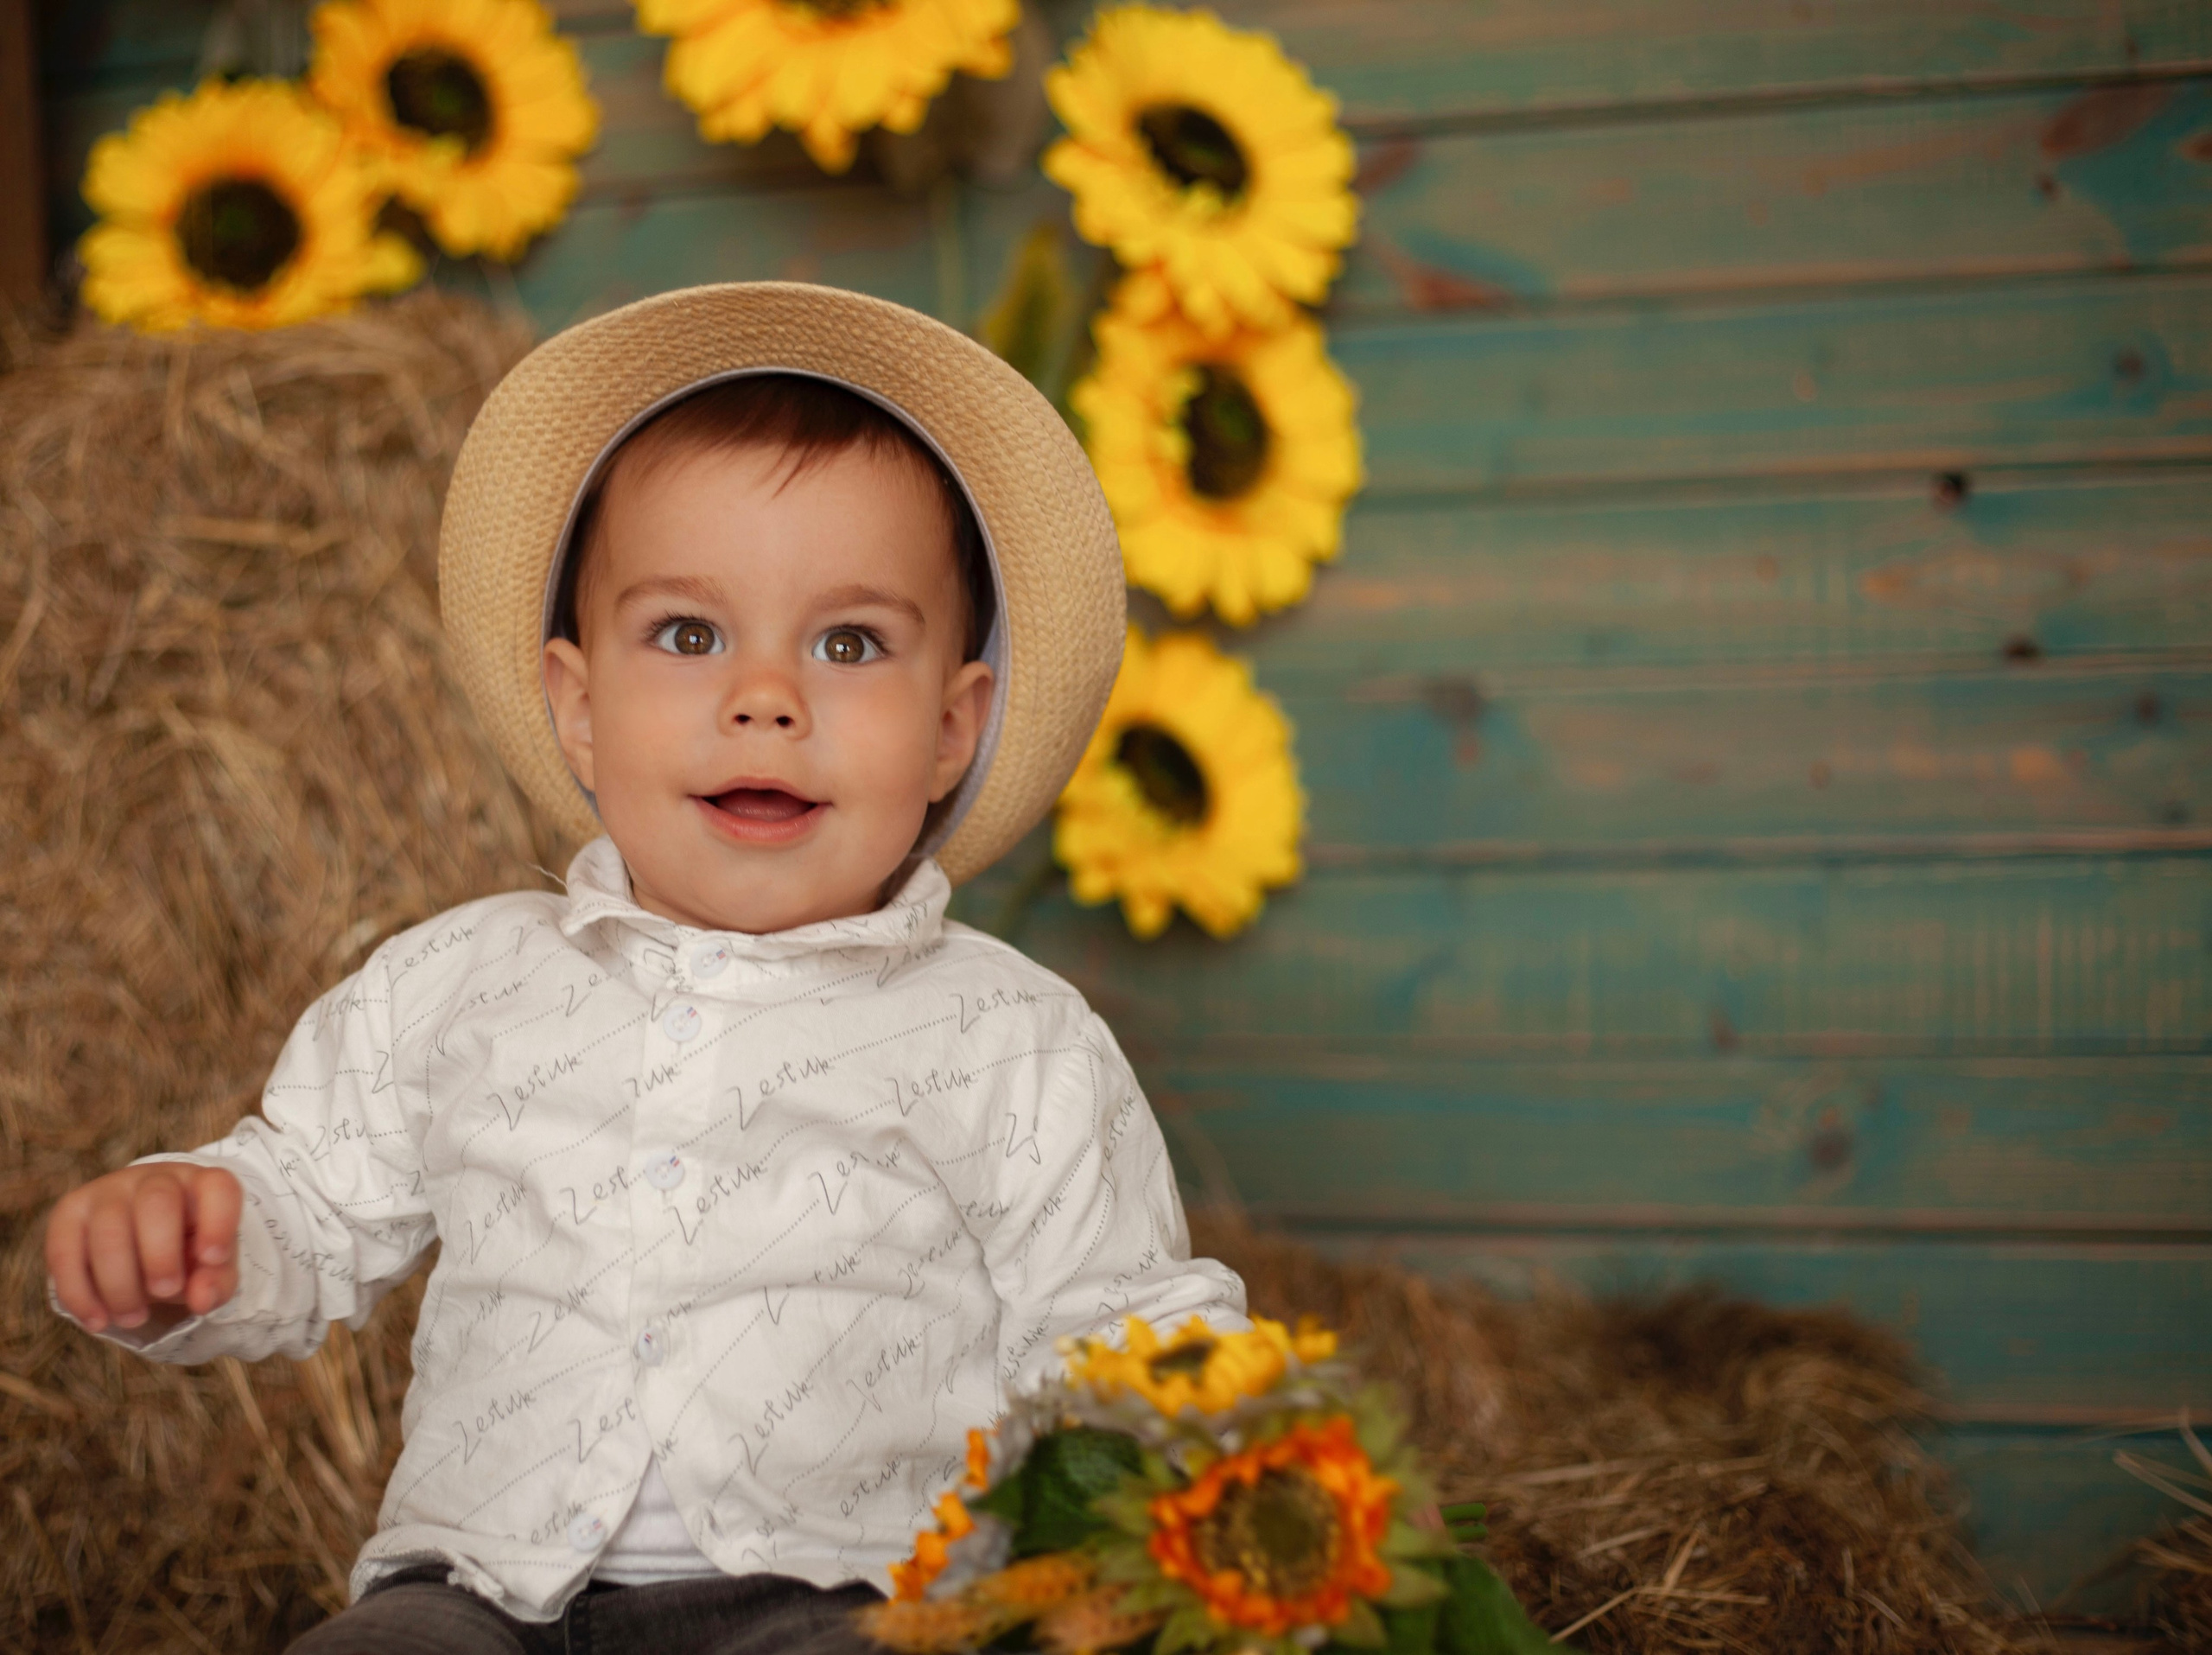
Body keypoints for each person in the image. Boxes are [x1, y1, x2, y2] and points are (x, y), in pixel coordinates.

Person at [41, 283, 1249, 1653]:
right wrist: (196, 1234)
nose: (765, 697)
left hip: (857, 1601)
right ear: (577, 706)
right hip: (477, 1597)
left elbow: (1114, 1320)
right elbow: (310, 1203)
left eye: (850, 644)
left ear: (953, 731)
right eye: (687, 635)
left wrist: (1217, 1467)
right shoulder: (457, 984)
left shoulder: (1011, 1039)